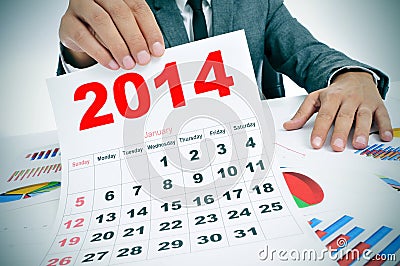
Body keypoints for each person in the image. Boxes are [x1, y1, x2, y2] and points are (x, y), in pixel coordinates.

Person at [57, 0, 393, 152]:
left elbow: (306, 51)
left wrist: (351, 75)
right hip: (158, 155)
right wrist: (81, 54)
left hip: (256, 153)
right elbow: (88, 110)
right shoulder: (123, 6)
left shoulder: (258, 4)